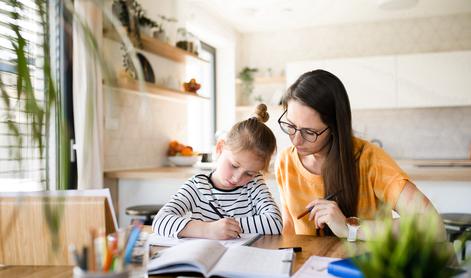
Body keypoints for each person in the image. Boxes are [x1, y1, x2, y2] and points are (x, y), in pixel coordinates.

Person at [275, 69, 443, 240]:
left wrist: (350, 228)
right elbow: (288, 231)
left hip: (364, 265)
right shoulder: (284, 161)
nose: (296, 140)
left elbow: (432, 224)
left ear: (334, 128)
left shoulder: (370, 159)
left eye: (309, 132)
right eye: (290, 125)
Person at [153, 104, 282, 239]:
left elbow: (276, 222)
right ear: (220, 148)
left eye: (249, 173)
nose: (237, 178)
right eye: (234, 165)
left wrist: (227, 227)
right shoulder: (197, 186)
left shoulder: (254, 184)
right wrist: (207, 229)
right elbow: (160, 221)